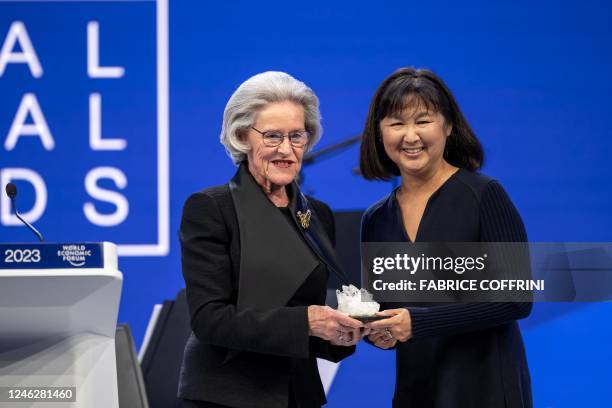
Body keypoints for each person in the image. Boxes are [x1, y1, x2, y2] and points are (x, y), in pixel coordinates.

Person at [178, 71, 362, 408]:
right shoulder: (211, 208)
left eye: (297, 136)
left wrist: (341, 334)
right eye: (273, 136)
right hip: (225, 396)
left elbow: (305, 318)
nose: (286, 150)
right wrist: (307, 321)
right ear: (242, 136)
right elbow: (210, 320)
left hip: (298, 394)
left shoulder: (317, 213)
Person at [359, 67, 532, 407]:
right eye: (396, 123)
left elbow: (516, 298)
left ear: (448, 126)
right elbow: (382, 310)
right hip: (416, 391)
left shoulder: (484, 195)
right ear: (379, 133)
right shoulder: (375, 220)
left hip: (485, 391)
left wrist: (419, 322)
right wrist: (375, 332)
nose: (410, 136)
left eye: (423, 121)